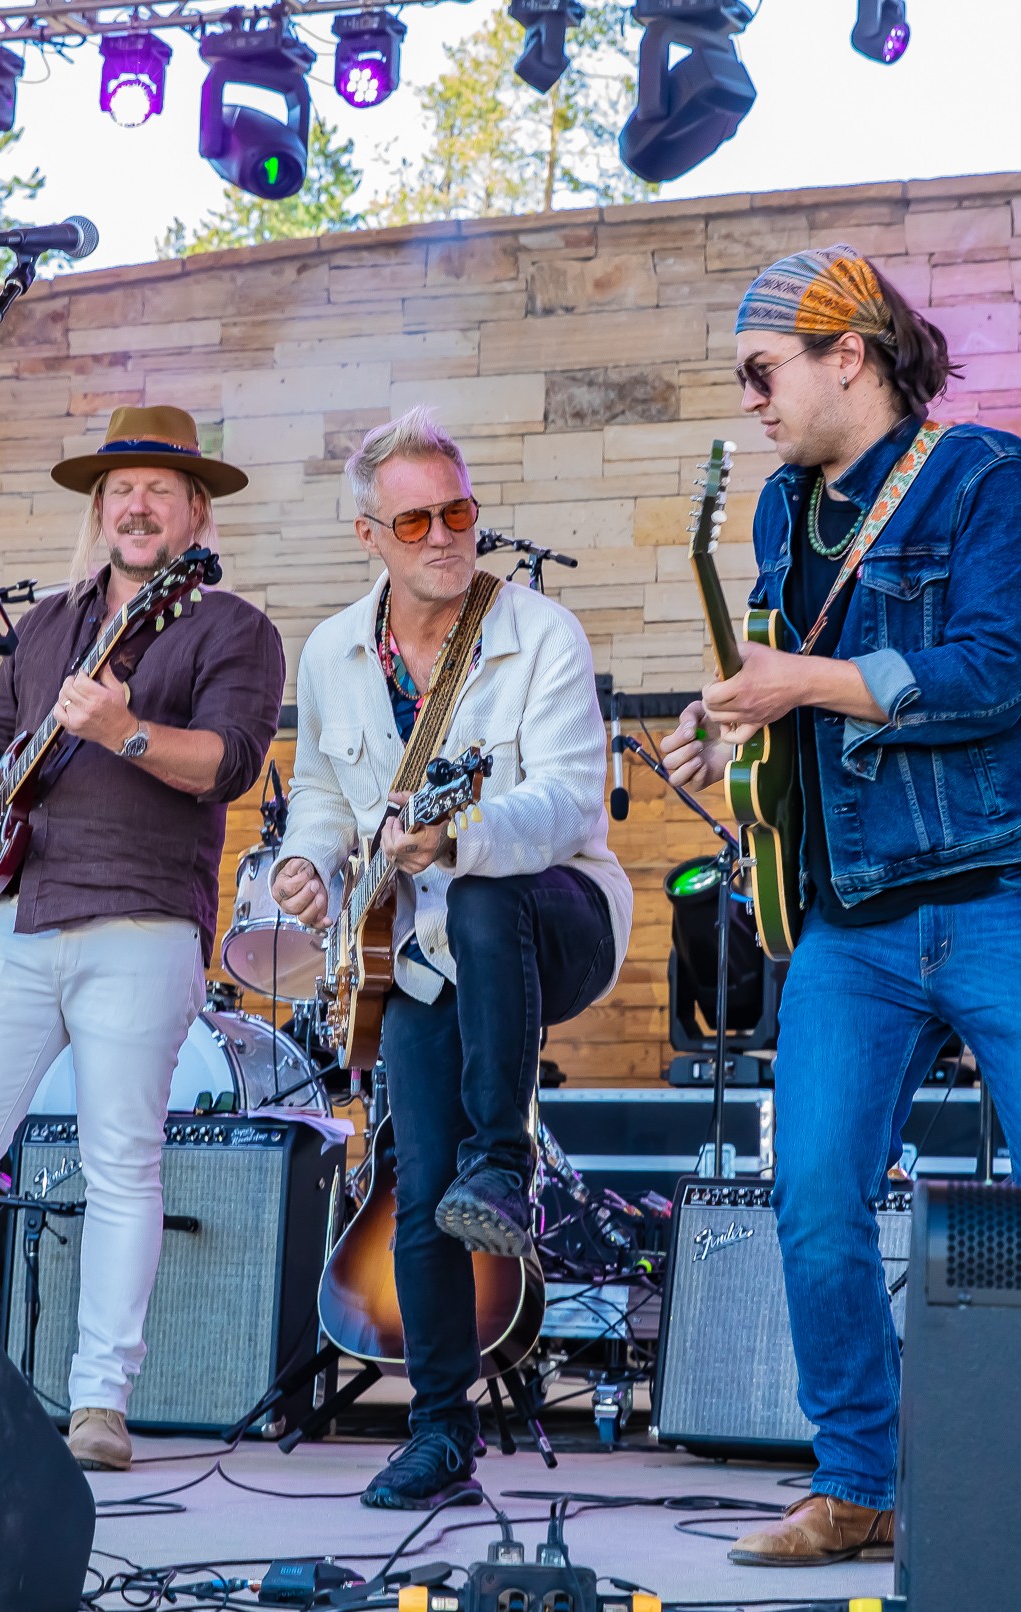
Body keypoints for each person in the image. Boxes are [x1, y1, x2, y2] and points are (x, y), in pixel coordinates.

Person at [661, 247, 1021, 1566]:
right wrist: (736, 737)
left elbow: (990, 673)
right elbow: (798, 694)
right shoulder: (775, 513)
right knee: (810, 1196)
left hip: (1007, 893)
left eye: (763, 373)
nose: (750, 400)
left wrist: (796, 687)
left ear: (848, 357)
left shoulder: (990, 478)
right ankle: (855, 1487)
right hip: (852, 918)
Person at [0, 405, 285, 1472]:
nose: (137, 502)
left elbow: (230, 762)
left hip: (142, 920)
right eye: (121, 487)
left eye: (161, 488)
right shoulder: (47, 623)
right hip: (14, 916)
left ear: (195, 513)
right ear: (99, 507)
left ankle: (99, 1404)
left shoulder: (231, 628)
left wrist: (120, 728)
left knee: (122, 1160)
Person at [271, 408, 633, 1511]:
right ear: (367, 533)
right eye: (417, 518)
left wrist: (458, 839)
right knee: (413, 1182)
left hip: (552, 915)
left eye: (460, 512)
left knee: (482, 896)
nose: (444, 535)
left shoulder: (539, 631)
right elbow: (325, 796)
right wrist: (309, 865)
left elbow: (572, 799)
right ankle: (437, 1433)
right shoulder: (333, 651)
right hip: (421, 947)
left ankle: (506, 1169)